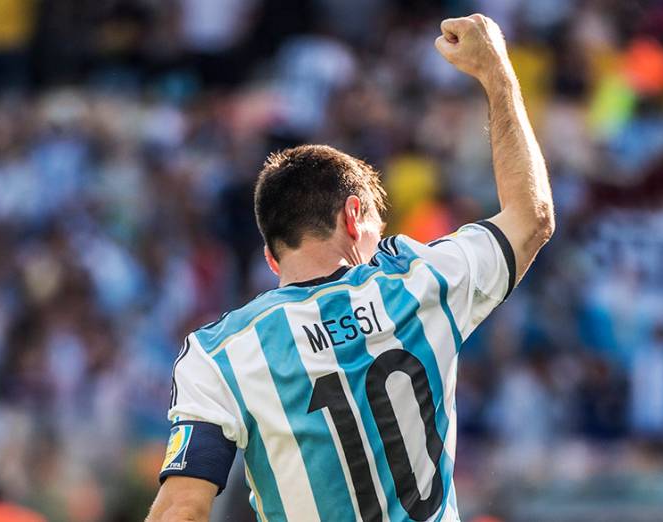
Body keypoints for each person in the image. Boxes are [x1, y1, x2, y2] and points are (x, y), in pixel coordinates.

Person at [146, 13, 554, 522]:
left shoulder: (218, 354)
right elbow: (531, 217)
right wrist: (497, 73)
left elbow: (181, 508)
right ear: (354, 214)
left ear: (272, 257)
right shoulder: (421, 282)